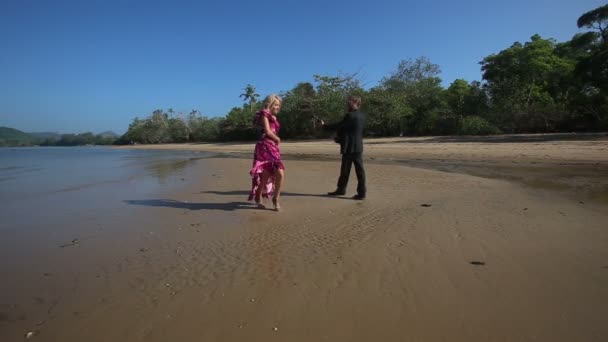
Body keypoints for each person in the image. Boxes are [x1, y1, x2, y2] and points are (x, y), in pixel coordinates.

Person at [320, 95, 367, 200]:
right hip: (358, 147)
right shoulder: (362, 116)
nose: (348, 103)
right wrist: (340, 138)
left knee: (346, 170)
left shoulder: (350, 116)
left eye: (351, 102)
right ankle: (361, 193)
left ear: (357, 103)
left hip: (349, 147)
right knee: (359, 171)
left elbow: (339, 126)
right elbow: (351, 130)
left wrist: (325, 126)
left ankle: (342, 190)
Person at [248, 94, 285, 211]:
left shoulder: (272, 116)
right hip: (264, 146)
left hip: (273, 147)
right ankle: (259, 196)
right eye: (275, 105)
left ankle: (275, 198)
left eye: (279, 105)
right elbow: (268, 131)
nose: (278, 107)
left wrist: (275, 141)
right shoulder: (264, 113)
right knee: (269, 173)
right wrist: (277, 139)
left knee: (277, 173)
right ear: (269, 104)